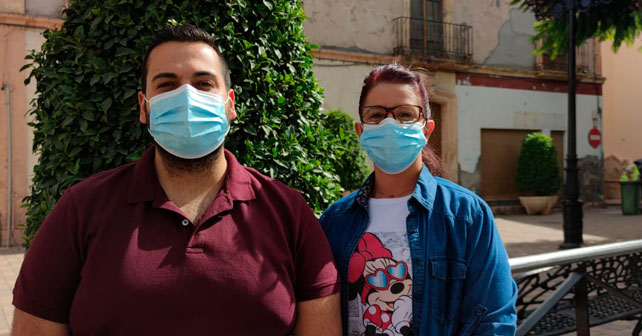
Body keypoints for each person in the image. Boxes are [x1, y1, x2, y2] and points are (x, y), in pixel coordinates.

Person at [12, 25, 341, 335]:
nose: (187, 97)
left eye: (203, 83)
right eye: (167, 84)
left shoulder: (288, 212)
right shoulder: (81, 209)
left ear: (230, 106)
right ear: (144, 108)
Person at [320, 64, 517, 336]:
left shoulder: (466, 214)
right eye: (376, 115)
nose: (390, 124)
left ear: (426, 130)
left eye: (405, 114)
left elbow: (494, 318)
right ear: (360, 130)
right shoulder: (335, 221)